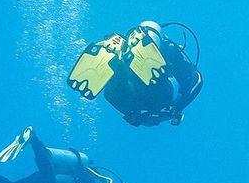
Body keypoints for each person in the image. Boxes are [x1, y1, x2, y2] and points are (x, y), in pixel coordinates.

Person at [67, 20, 203, 126]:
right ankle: (120, 66)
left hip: (134, 85)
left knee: (119, 89)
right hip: (148, 88)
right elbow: (197, 82)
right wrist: (178, 109)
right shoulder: (166, 108)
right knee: (162, 91)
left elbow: (198, 81)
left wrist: (134, 117)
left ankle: (119, 61)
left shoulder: (144, 113)